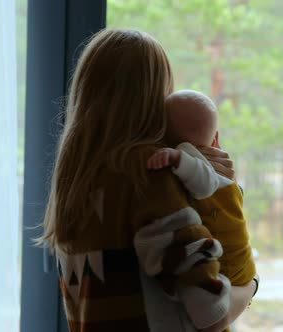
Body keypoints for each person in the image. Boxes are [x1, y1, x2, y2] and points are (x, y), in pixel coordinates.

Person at [37, 29, 256, 332]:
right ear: (155, 97)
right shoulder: (146, 174)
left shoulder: (75, 182)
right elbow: (210, 313)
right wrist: (249, 288)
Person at [147, 89, 257, 291]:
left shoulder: (189, 164)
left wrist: (178, 158)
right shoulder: (224, 176)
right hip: (243, 262)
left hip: (226, 267)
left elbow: (202, 184)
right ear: (215, 140)